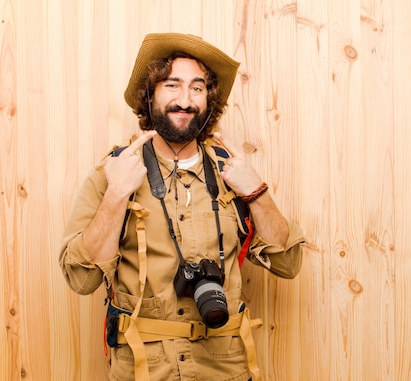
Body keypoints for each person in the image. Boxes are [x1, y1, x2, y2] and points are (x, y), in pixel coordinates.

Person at [59, 33, 305, 381]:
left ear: (209, 100)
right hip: (144, 370)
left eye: (197, 87)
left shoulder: (232, 172)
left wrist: (256, 192)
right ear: (150, 95)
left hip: (226, 367)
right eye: (171, 85)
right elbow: (82, 280)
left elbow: (289, 263)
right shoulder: (114, 171)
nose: (184, 100)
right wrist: (116, 195)